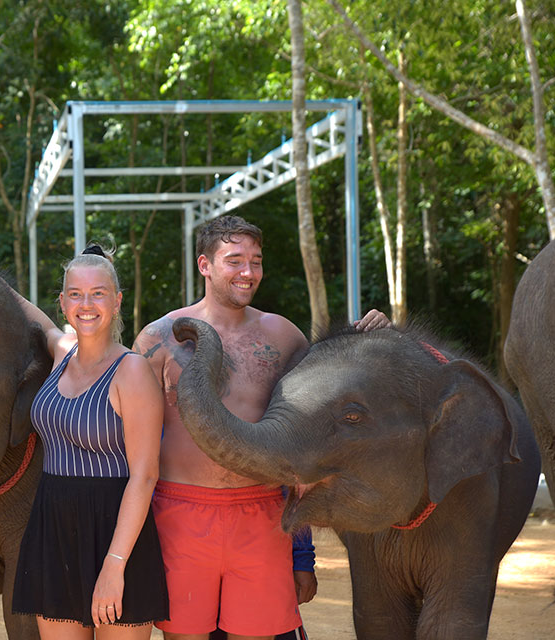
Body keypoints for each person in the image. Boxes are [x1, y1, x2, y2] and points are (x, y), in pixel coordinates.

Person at [132, 215, 389, 640]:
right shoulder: (159, 339)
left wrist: (367, 342)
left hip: (263, 513)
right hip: (179, 513)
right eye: (234, 260)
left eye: (256, 261)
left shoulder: (284, 336)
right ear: (205, 265)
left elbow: (309, 444)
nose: (248, 272)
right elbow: (130, 442)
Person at [10, 245, 170, 639]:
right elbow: (45, 328)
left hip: (116, 532)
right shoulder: (63, 353)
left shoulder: (131, 371)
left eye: (98, 293)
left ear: (116, 301)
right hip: (55, 530)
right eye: (76, 294)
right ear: (63, 302)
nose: (86, 304)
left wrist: (114, 565)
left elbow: (145, 476)